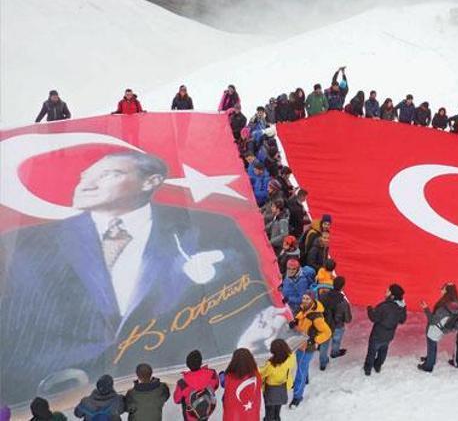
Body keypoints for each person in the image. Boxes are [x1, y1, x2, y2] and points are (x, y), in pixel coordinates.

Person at [0, 152, 268, 404]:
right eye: (84, 176)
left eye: (107, 175)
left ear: (150, 181)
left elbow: (252, 303)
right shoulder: (27, 243)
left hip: (161, 378)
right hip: (55, 396)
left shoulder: (211, 227)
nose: (87, 184)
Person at [289, 293, 332, 408]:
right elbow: (301, 319)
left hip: (307, 347)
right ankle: (305, 380)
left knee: (300, 371)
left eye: (307, 298)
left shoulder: (316, 317)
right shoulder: (303, 309)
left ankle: (297, 397)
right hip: (300, 344)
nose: (304, 300)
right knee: (301, 367)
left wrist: (314, 340)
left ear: (312, 300)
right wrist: (295, 323)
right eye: (303, 298)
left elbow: (327, 333)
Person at [364, 284, 407, 375]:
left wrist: (369, 309)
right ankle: (378, 366)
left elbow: (373, 318)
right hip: (389, 336)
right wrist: (404, 308)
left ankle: (368, 369)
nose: (385, 292)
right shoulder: (401, 308)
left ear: (392, 295)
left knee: (372, 352)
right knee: (383, 351)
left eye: (387, 291)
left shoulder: (384, 306)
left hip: (377, 335)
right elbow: (402, 320)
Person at [418, 283, 458, 372]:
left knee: (431, 345)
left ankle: (428, 366)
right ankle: (430, 359)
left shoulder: (444, 306)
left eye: (443, 288)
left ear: (447, 291)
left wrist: (425, 308)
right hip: (442, 329)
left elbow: (432, 320)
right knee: (433, 344)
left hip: (435, 329)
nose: (441, 290)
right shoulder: (456, 303)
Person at [173, 350, 220, 421]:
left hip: (192, 416)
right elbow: (215, 386)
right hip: (207, 409)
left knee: (184, 399)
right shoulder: (212, 373)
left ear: (187, 365)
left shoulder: (182, 383)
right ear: (201, 362)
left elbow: (176, 400)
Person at [318, 276, 353, 370]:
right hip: (338, 326)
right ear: (342, 287)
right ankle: (334, 353)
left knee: (324, 344)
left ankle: (323, 362)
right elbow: (348, 319)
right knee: (336, 341)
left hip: (325, 325)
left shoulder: (323, 297)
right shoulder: (344, 302)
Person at [220, 348, 261, 421]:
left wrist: (221, 374)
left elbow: (223, 382)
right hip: (251, 416)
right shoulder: (256, 376)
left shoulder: (228, 378)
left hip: (233, 417)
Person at [260, 339, 296, 421]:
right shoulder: (291, 357)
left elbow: (262, 374)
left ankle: (268, 419)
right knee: (278, 406)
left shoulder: (271, 365)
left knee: (269, 410)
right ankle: (277, 418)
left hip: (270, 390)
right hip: (283, 387)